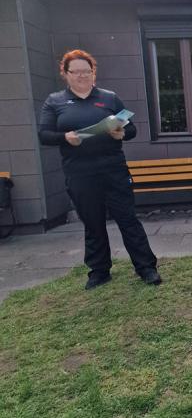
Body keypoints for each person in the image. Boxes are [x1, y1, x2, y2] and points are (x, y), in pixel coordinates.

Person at [38, 49, 161, 290]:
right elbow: (44, 134)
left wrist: (120, 133)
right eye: (76, 72)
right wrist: (65, 137)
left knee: (128, 219)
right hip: (79, 173)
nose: (82, 76)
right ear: (65, 74)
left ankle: (146, 267)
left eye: (87, 71)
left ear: (93, 72)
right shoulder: (55, 101)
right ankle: (99, 271)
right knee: (93, 222)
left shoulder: (109, 98)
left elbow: (131, 129)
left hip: (113, 170)